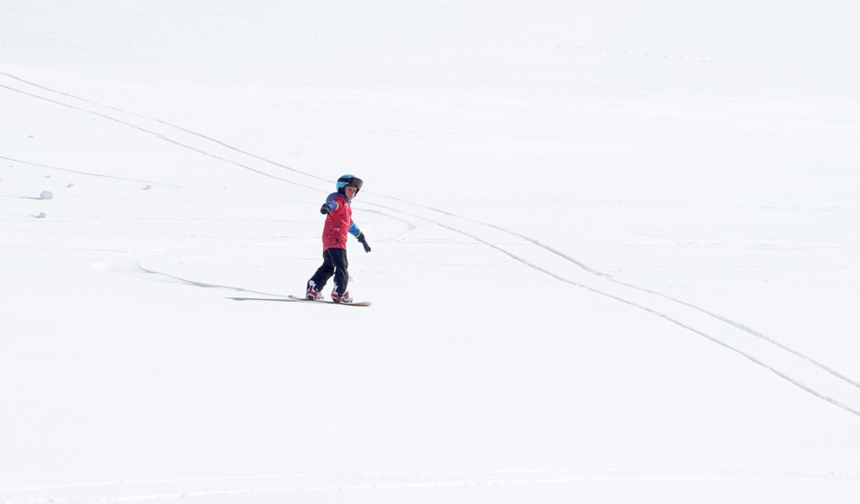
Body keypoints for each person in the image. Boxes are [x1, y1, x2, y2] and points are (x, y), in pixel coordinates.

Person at [305, 175, 371, 303]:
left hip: (329, 240)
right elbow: (333, 204)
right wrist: (327, 207)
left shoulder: (346, 206)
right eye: (349, 189)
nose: (352, 193)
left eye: (354, 191)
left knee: (328, 267)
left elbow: (350, 224)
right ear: (342, 189)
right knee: (342, 266)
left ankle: (314, 286)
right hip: (337, 240)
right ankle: (339, 293)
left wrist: (361, 237)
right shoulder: (339, 200)